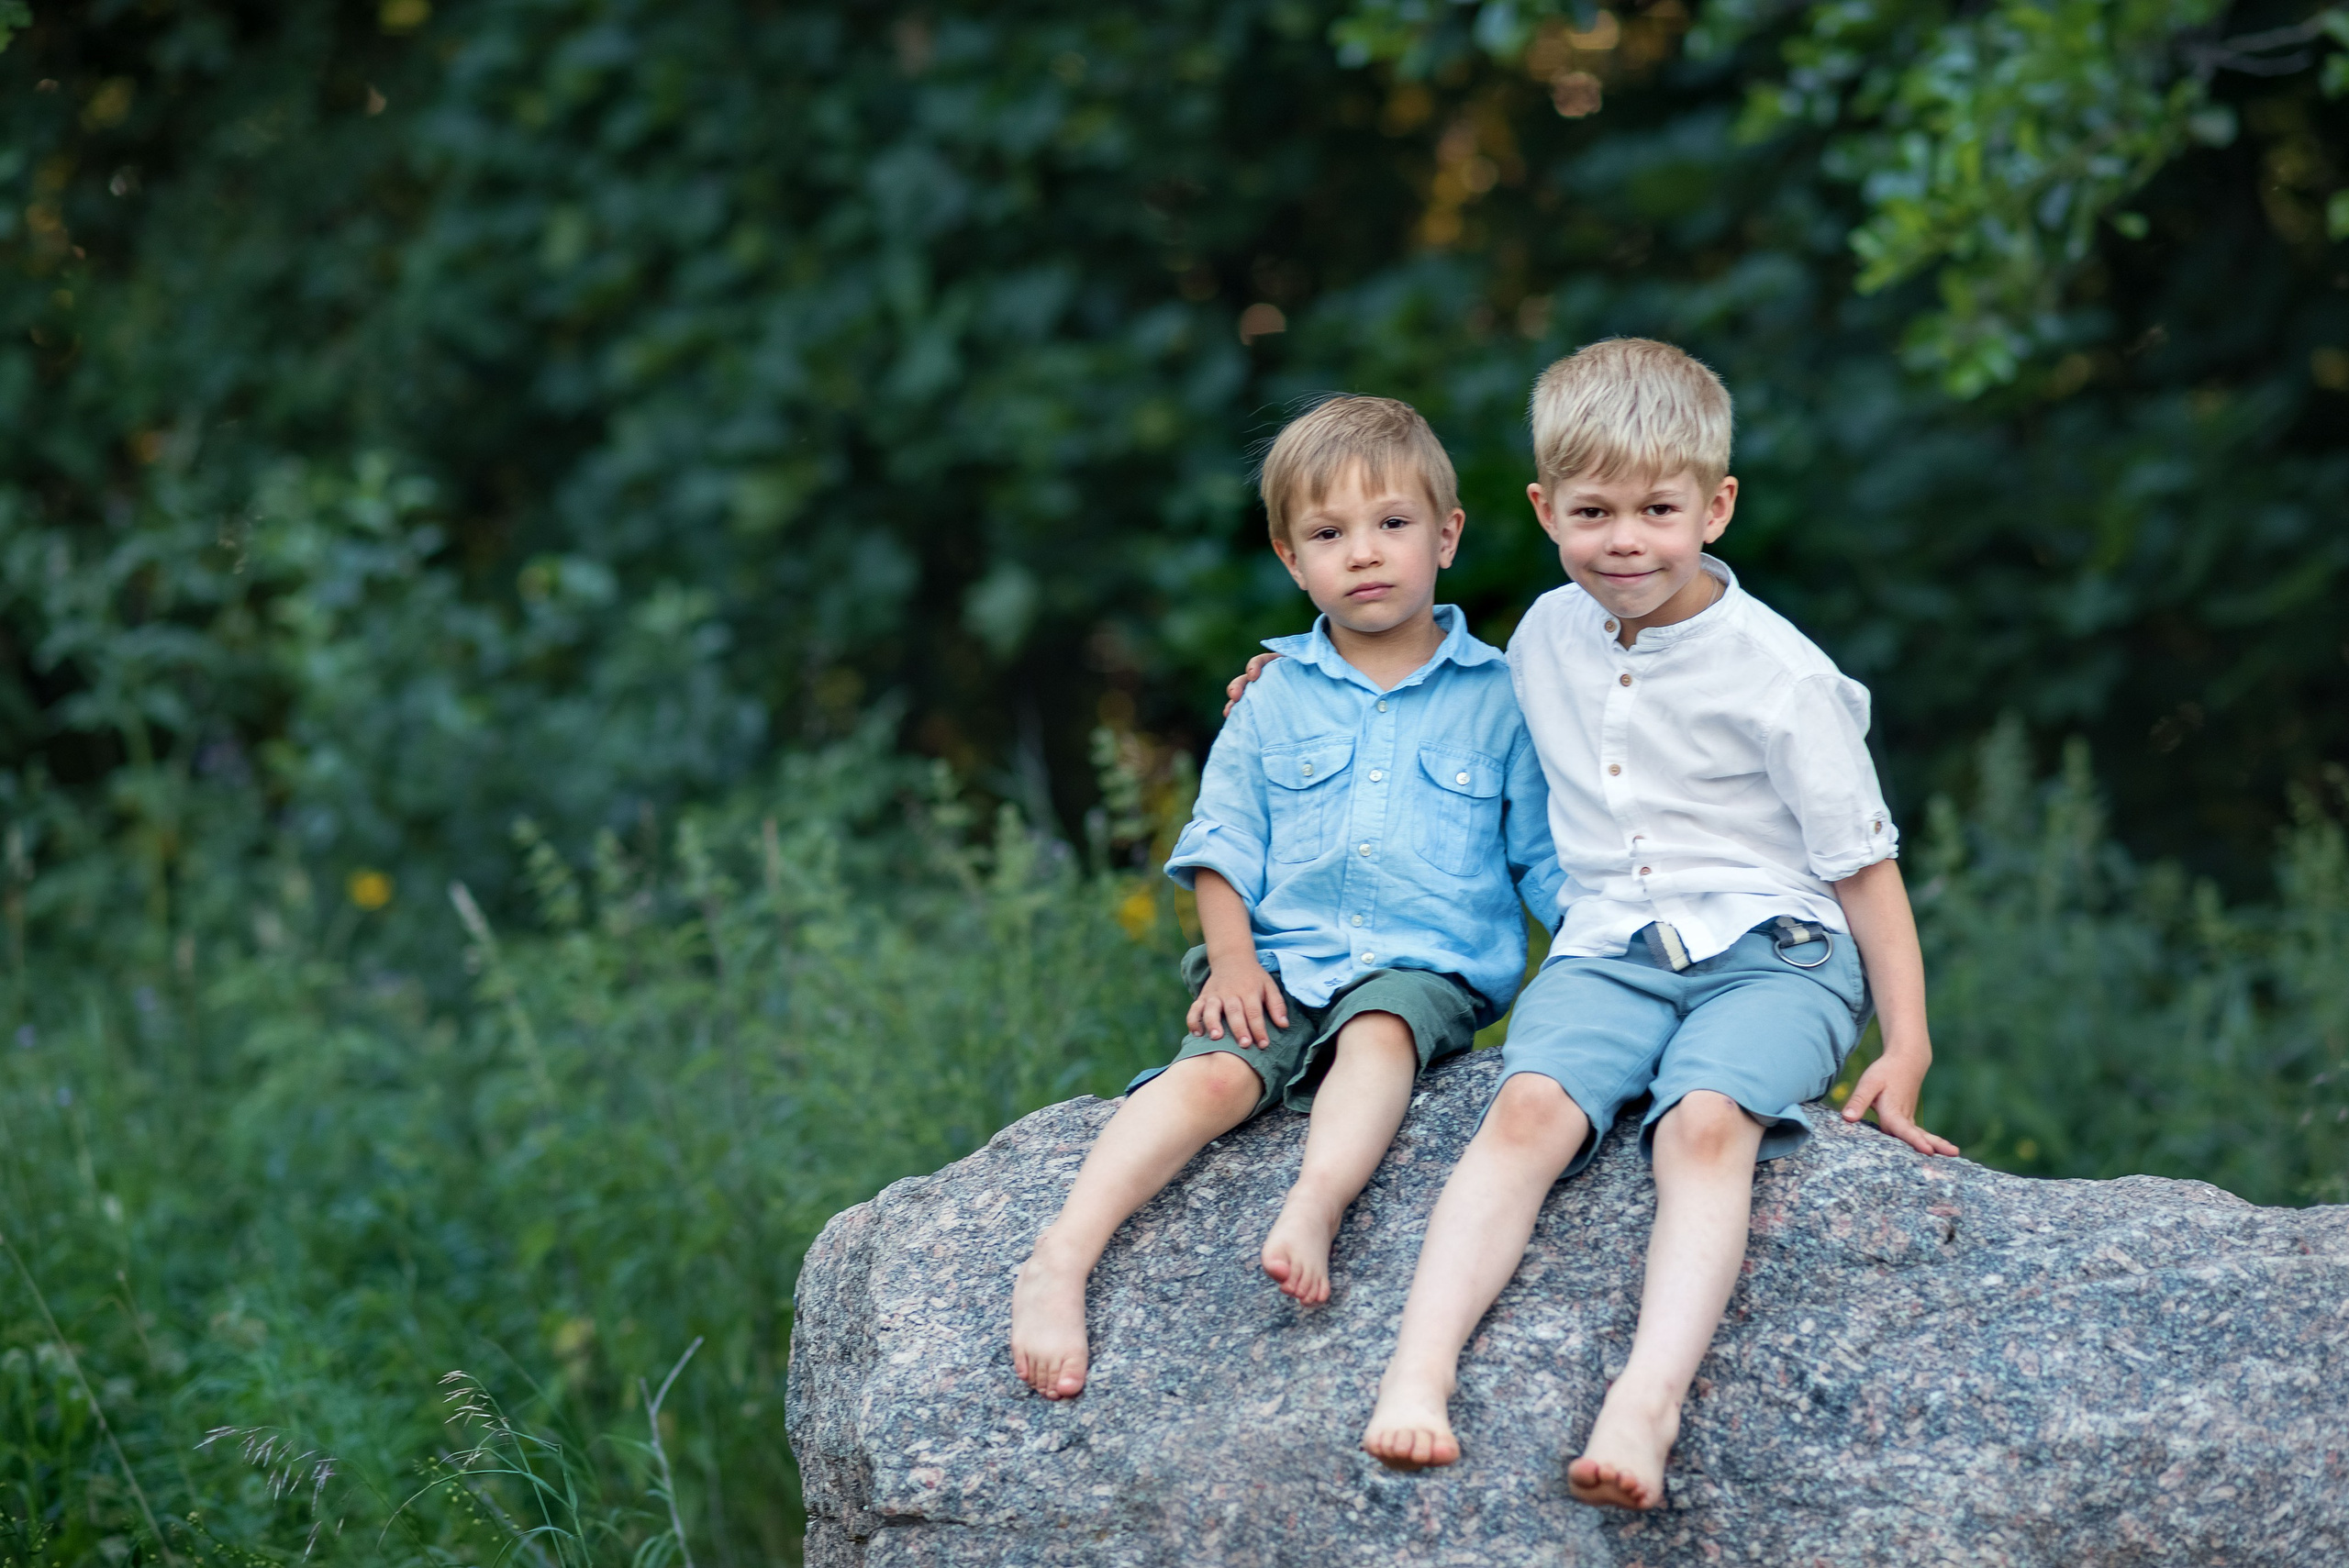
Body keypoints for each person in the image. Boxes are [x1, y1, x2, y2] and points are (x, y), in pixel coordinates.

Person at [1228, 339, 1959, 1507]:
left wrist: (1907, 1043)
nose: (1625, 538)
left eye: (1659, 509)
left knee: (1703, 1127)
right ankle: (1416, 1377)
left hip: (1775, 953)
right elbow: (1422, 695)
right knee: (1524, 1113)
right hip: (1611, 944)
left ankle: (1643, 1403)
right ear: (1541, 508)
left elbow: (1863, 871)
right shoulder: (1543, 639)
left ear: (1715, 506)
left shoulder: (1781, 678)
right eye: (1593, 510)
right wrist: (1290, 681)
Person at [1009, 395, 1564, 1402]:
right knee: (1215, 1077)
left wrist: (1602, 958)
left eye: (1392, 524)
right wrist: (1232, 959)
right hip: (1280, 952)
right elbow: (1222, 838)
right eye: (1328, 533)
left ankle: (1313, 1201)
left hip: (1419, 964)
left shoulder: (1502, 696)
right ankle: (1062, 1251)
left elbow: (1539, 859)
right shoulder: (1273, 693)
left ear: (1446, 535)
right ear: (1288, 557)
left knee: (1381, 1031)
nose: (1364, 553)